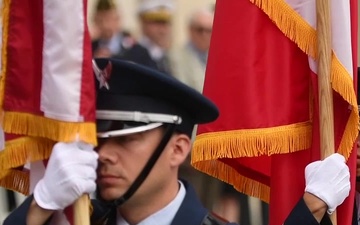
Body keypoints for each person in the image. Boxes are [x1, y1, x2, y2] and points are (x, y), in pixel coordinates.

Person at [3, 58, 351, 225]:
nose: (104, 154)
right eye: (98, 139)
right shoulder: (74, 220)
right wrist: (41, 204)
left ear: (179, 148)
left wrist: (312, 206)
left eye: (126, 138)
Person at [91, 0, 157, 69]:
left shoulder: (134, 49)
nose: (106, 25)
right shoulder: (91, 48)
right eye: (100, 20)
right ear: (95, 21)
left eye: (109, 19)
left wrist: (112, 59)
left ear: (118, 20)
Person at [171, 7, 214, 92]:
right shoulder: (176, 57)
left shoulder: (217, 57)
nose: (204, 35)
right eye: (200, 30)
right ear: (191, 30)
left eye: (209, 30)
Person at [137, 0, 174, 75]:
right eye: (157, 23)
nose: (163, 29)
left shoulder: (168, 57)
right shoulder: (134, 56)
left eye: (166, 23)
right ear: (143, 23)